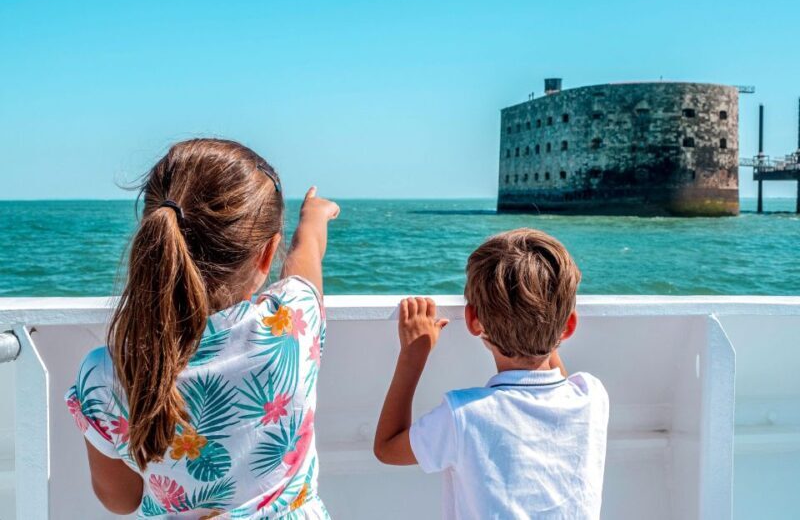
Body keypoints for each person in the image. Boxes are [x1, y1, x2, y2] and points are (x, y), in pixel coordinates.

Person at [64, 139, 339, 518]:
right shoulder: (291, 324)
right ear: (265, 253)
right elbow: (306, 253)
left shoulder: (105, 373)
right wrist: (314, 216)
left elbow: (120, 500)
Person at [373, 228, 609, 519]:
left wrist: (413, 355)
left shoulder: (464, 415)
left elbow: (387, 448)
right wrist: (546, 323)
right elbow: (554, 375)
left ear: (473, 321)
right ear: (570, 326)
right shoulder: (592, 396)